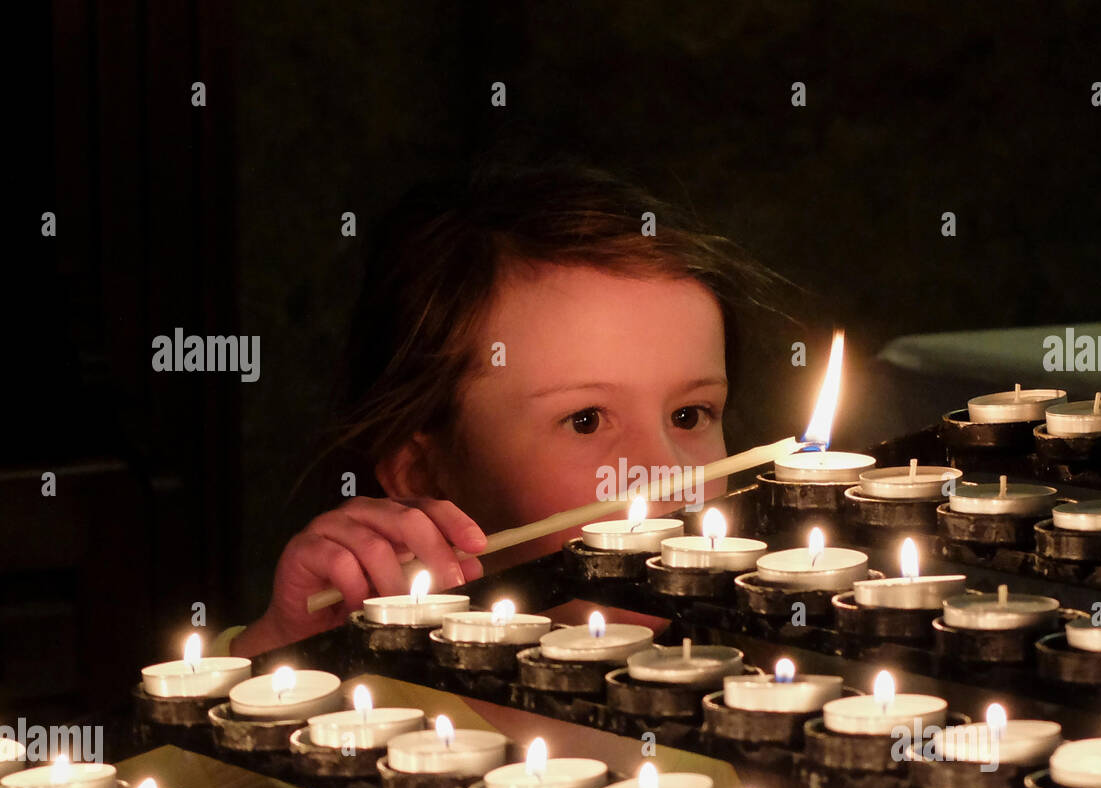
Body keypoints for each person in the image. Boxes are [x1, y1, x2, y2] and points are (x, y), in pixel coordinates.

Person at [221, 157, 801, 659]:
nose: (668, 477)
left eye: (689, 415)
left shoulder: (755, 692)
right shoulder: (350, 711)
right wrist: (285, 653)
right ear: (423, 473)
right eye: (585, 420)